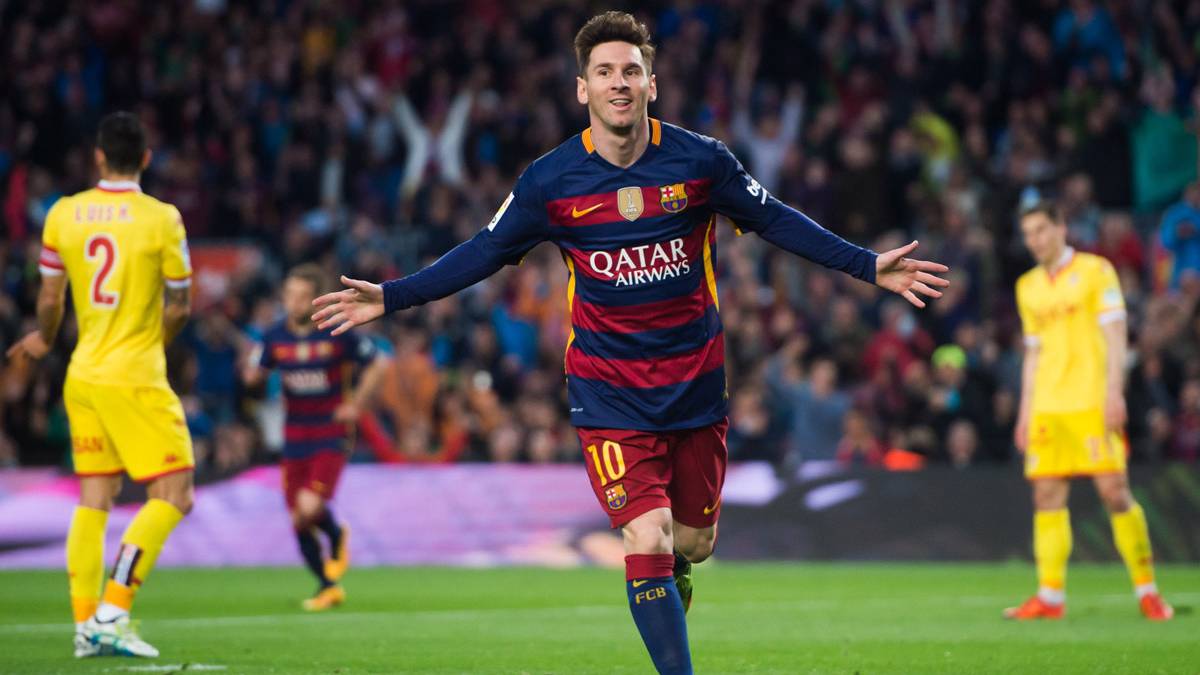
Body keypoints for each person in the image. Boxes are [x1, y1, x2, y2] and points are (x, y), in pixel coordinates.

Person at [310, 12, 948, 674]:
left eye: (631, 71)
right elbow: (483, 251)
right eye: (605, 72)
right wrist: (393, 296)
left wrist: (867, 266)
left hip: (695, 383)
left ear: (652, 84)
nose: (619, 83)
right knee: (647, 532)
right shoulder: (551, 181)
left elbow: (776, 220)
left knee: (693, 542)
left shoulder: (701, 162)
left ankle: (673, 576)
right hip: (608, 390)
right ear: (582, 89)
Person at [6, 112, 195, 658]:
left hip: (82, 373)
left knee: (94, 499)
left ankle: (85, 624)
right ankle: (112, 612)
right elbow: (180, 304)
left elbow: (49, 298)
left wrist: (44, 339)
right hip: (134, 373)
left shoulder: (63, 213)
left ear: (98, 156)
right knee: (175, 493)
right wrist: (154, 343)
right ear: (146, 158)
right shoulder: (161, 218)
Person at [1007, 201, 1173, 621]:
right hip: (1048, 406)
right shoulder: (1028, 286)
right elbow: (1033, 354)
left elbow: (1116, 334)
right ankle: (1050, 596)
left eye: (1041, 230)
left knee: (1114, 492)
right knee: (1046, 495)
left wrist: (1115, 392)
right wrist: (1025, 412)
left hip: (1091, 400)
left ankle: (1148, 591)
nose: (1034, 240)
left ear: (1061, 227)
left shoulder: (1097, 271)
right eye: (1028, 234)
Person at [243, 264, 389, 611]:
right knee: (298, 518)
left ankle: (336, 535)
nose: (293, 302)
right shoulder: (274, 336)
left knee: (309, 507)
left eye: (301, 296)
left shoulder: (337, 331)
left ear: (315, 300)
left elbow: (379, 364)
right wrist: (251, 374)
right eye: (289, 295)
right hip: (294, 434)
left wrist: (356, 405)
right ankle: (327, 585)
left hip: (330, 432)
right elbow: (254, 374)